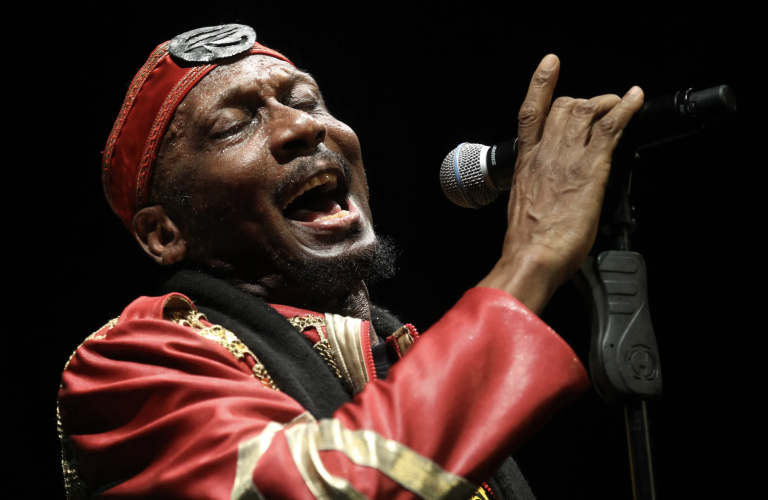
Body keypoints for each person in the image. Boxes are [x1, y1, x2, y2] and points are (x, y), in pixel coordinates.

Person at [57, 24, 644, 500]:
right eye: (234, 125)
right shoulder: (129, 366)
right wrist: (533, 258)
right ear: (164, 234)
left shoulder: (400, 355)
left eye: (305, 100)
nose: (302, 126)